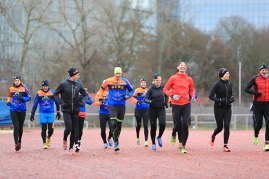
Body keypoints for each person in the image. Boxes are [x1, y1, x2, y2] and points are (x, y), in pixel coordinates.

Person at [97, 67, 134, 151]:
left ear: (121, 74)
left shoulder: (125, 81)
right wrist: (100, 97)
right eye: (116, 73)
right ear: (114, 73)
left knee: (119, 125)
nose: (118, 75)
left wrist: (128, 96)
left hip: (121, 106)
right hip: (112, 105)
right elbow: (101, 89)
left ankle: (116, 139)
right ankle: (116, 142)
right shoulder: (109, 80)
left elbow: (132, 91)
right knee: (113, 122)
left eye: (119, 73)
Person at [53, 67, 88, 155]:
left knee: (74, 129)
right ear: (72, 75)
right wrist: (61, 102)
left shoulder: (79, 84)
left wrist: (82, 102)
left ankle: (71, 147)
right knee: (69, 127)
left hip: (76, 109)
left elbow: (85, 95)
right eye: (77, 74)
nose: (78, 76)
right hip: (66, 109)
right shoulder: (63, 84)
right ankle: (64, 138)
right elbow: (55, 94)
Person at [164, 62, 195, 154]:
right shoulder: (173, 78)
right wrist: (172, 95)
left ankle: (183, 145)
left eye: (184, 66)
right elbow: (165, 89)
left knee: (185, 124)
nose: (183, 67)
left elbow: (192, 89)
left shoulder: (189, 79)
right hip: (176, 104)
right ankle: (174, 132)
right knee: (177, 125)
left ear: (185, 68)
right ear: (178, 67)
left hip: (186, 104)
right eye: (181, 65)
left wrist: (192, 95)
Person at [30, 80, 61, 149]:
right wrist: (32, 113)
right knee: (44, 129)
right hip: (42, 113)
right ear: (42, 86)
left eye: (46, 86)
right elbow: (35, 104)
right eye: (44, 86)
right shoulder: (38, 93)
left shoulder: (53, 92)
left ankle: (49, 137)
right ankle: (44, 143)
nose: (45, 87)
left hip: (51, 113)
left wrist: (58, 111)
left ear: (48, 86)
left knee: (51, 129)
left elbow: (57, 102)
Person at [208, 68, 234, 152]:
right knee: (220, 127)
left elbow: (230, 95)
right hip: (218, 108)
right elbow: (210, 96)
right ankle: (213, 135)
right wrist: (219, 100)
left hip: (227, 108)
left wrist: (231, 99)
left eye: (229, 73)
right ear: (222, 75)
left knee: (227, 125)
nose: (228, 75)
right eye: (227, 73)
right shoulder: (217, 84)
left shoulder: (230, 84)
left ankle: (225, 145)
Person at [245, 64, 269, 151]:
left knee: (268, 124)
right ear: (260, 71)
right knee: (259, 124)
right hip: (258, 105)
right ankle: (256, 134)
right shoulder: (255, 79)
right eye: (263, 70)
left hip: (267, 104)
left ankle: (267, 144)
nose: (264, 71)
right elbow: (246, 89)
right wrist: (255, 93)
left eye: (266, 70)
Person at [7, 75, 31, 151]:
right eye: (15, 81)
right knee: (16, 126)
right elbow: (9, 96)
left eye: (18, 80)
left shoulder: (24, 88)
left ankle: (20, 141)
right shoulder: (11, 88)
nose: (17, 82)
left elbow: (29, 97)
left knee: (20, 127)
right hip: (13, 109)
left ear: (20, 81)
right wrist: (8, 101)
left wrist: (23, 98)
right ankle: (16, 143)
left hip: (22, 110)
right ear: (14, 81)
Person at [144, 74, 168, 151]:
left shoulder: (163, 87)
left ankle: (159, 137)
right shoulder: (150, 89)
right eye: (157, 80)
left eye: (160, 80)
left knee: (162, 124)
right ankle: (153, 143)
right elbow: (145, 99)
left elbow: (166, 95)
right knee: (153, 127)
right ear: (154, 81)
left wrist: (166, 102)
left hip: (161, 109)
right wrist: (150, 101)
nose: (159, 82)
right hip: (152, 110)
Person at [131, 78, 149, 147]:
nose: (143, 83)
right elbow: (133, 98)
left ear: (146, 83)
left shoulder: (148, 90)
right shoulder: (137, 90)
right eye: (142, 82)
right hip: (138, 110)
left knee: (146, 125)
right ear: (140, 83)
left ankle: (146, 141)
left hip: (146, 110)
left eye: (144, 82)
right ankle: (138, 137)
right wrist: (137, 102)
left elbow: (150, 99)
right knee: (138, 125)